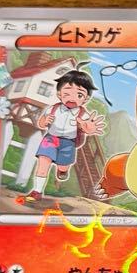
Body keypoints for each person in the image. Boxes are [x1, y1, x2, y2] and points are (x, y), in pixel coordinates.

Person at [23, 66, 106, 203]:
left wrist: (89, 128)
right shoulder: (53, 108)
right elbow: (41, 123)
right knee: (43, 162)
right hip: (50, 139)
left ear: (86, 99)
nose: (72, 98)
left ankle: (62, 170)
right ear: (59, 94)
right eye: (67, 94)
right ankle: (37, 191)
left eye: (79, 95)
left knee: (63, 165)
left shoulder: (83, 113)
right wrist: (45, 121)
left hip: (68, 143)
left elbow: (88, 128)